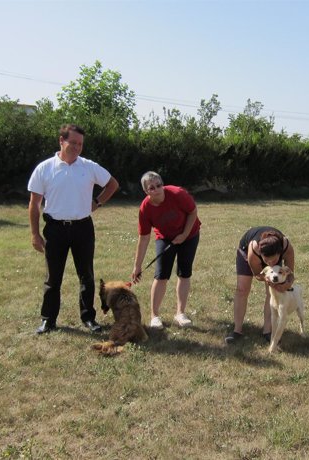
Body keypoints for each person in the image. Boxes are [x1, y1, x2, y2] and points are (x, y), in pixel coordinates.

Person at [28, 123, 119, 334]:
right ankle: (48, 320)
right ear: (61, 141)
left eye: (80, 144)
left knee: (86, 275)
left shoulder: (88, 166)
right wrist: (34, 234)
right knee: (53, 278)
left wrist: (97, 202)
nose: (77, 147)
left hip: (82, 228)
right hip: (55, 229)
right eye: (73, 143)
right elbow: (34, 204)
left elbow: (112, 184)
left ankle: (88, 318)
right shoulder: (45, 168)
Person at [131, 171, 200, 329]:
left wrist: (184, 235)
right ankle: (154, 316)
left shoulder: (177, 193)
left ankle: (180, 313)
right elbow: (144, 238)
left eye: (159, 185)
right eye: (152, 187)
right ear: (146, 191)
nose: (157, 189)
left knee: (184, 272)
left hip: (189, 235)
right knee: (161, 275)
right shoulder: (145, 208)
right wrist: (137, 266)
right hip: (165, 237)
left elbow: (193, 212)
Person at [225, 227, 295, 344]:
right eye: (267, 261)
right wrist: (266, 278)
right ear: (262, 255)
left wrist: (287, 285)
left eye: (274, 260)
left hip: (270, 252)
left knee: (272, 292)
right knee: (242, 289)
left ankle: (267, 331)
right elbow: (257, 275)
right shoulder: (254, 249)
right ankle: (237, 330)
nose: (271, 263)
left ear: (280, 253)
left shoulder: (286, 246)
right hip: (246, 253)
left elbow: (291, 274)